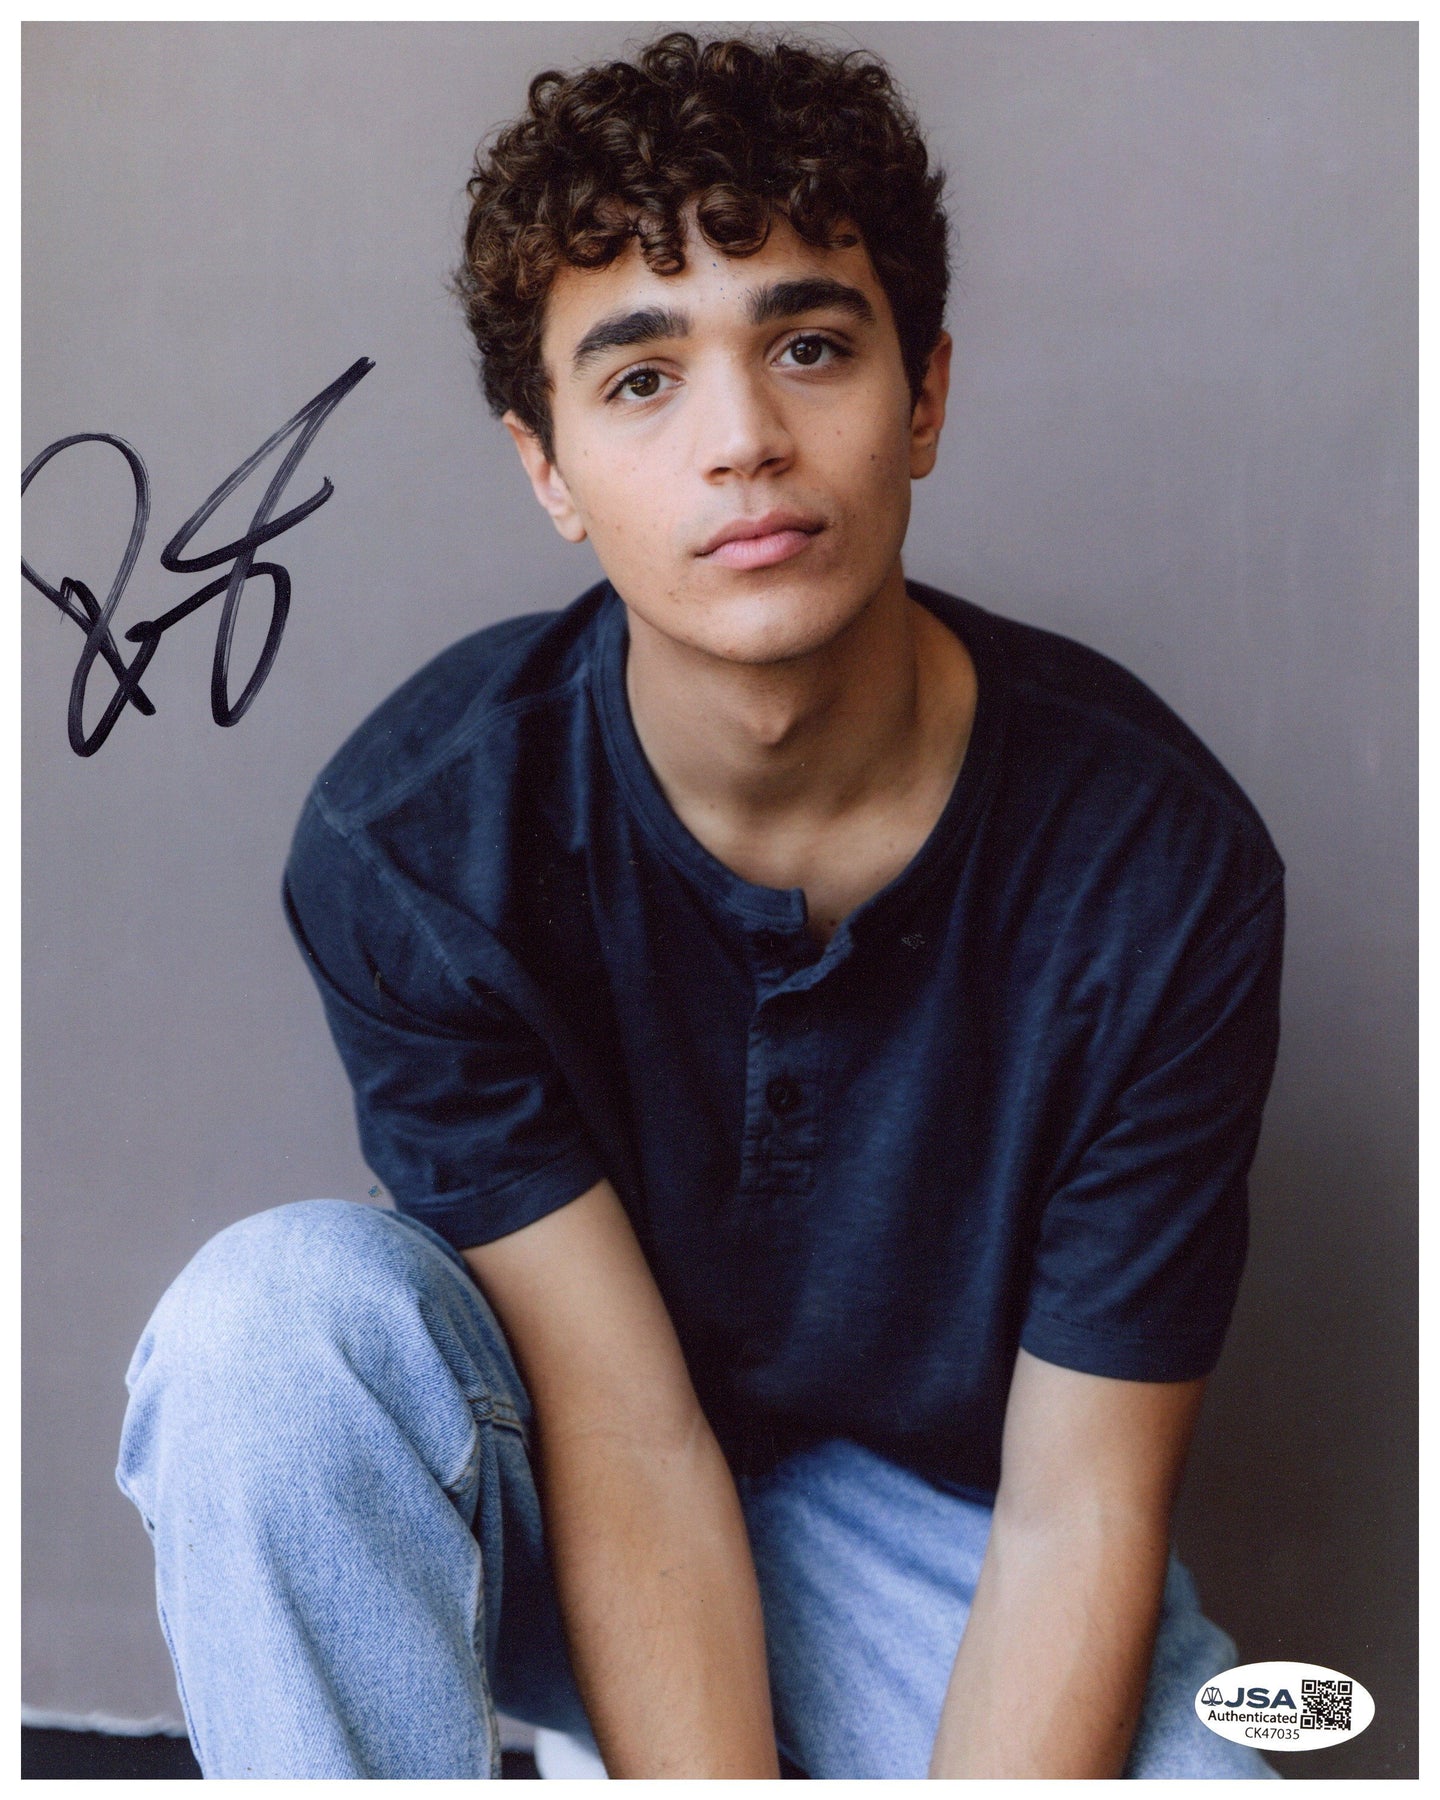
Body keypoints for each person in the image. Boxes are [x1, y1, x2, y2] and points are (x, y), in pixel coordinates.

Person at [117, 31, 1284, 1779]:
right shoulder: (420, 837)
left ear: (925, 398)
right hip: (538, 1479)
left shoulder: (1160, 868)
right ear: (546, 466)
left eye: (810, 347)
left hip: (925, 1527)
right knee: (269, 1332)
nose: (743, 441)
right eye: (642, 379)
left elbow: (1081, 1511)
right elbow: (621, 1427)